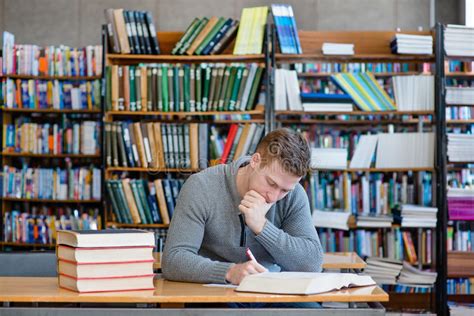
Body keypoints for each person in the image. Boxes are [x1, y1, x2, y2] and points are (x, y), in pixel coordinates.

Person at [162, 128, 323, 286]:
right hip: (215, 292)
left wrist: (263, 227)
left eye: (284, 190)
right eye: (271, 183)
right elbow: (174, 260)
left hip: (271, 291)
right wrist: (229, 272)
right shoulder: (201, 186)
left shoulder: (294, 195)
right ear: (255, 161)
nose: (273, 197)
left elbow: (312, 264)